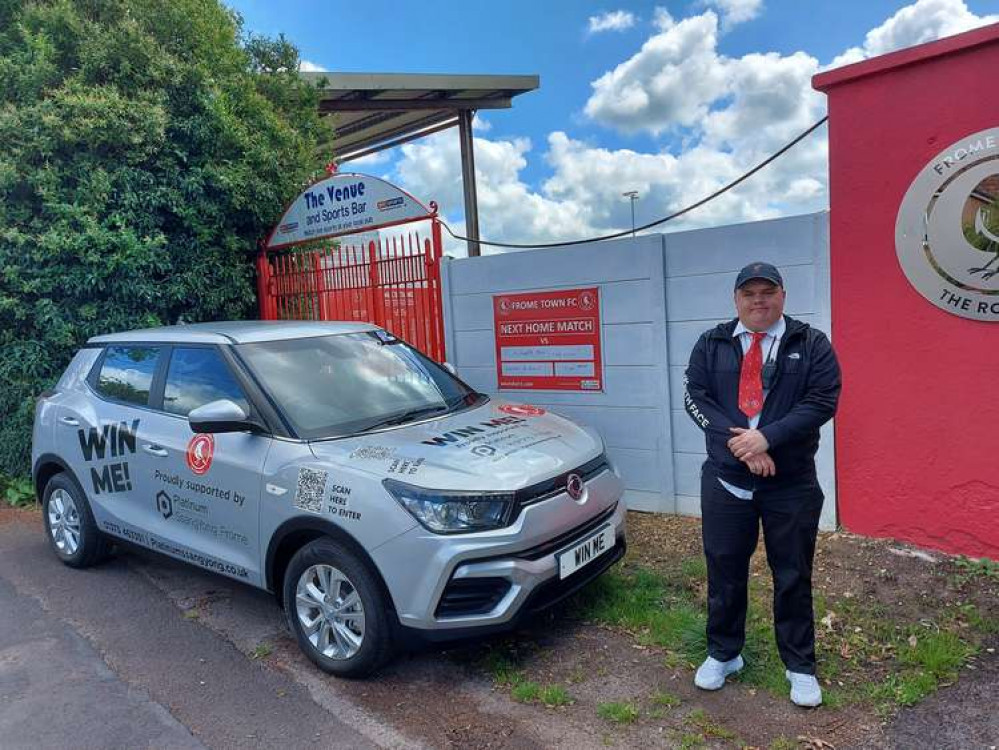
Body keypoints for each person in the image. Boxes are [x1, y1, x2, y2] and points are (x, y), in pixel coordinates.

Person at [682, 261, 841, 708]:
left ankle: (799, 665)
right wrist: (746, 447)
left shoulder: (810, 344)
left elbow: (822, 400)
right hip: (726, 481)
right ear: (736, 300)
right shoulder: (712, 343)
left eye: (766, 292)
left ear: (782, 296)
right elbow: (696, 397)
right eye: (749, 293)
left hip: (789, 484)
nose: (758, 301)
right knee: (724, 571)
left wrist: (768, 437)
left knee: (792, 574)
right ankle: (724, 653)